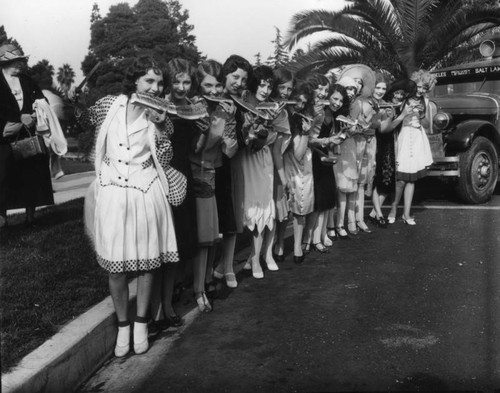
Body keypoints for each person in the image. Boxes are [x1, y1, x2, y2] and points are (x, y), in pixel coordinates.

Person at [78, 56, 182, 357]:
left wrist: (161, 129)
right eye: (149, 80)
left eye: (159, 83)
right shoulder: (110, 105)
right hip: (112, 193)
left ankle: (140, 323)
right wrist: (75, 102)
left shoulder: (159, 117)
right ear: (134, 81)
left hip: (145, 192)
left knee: (148, 263)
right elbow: (83, 120)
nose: (155, 87)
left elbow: (163, 160)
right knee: (117, 267)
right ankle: (123, 326)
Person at [190, 60, 238, 292]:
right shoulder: (191, 107)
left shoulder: (224, 110)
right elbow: (193, 148)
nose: (215, 91)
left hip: (210, 172)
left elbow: (230, 151)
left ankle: (205, 281)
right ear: (198, 85)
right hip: (189, 171)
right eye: (208, 85)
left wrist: (231, 135)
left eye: (218, 85)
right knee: (193, 233)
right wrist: (202, 126)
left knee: (209, 234)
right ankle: (192, 284)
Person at [231, 65, 281, 279]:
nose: (266, 89)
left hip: (263, 158)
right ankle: (237, 260)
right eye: (262, 84)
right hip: (245, 160)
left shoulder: (274, 107)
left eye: (269, 85)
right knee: (246, 207)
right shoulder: (243, 101)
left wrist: (264, 131)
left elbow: (272, 137)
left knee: (263, 205)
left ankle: (257, 257)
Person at [0, 43, 54, 227]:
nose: (19, 65)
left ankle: (30, 216)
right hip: (4, 135)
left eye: (20, 61)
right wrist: (16, 118)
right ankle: (2, 218)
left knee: (31, 173)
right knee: (3, 175)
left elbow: (41, 99)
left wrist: (33, 113)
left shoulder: (26, 79)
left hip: (28, 134)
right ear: (4, 63)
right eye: (15, 62)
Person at [212, 54, 252, 288]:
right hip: (208, 165)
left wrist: (247, 132)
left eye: (243, 79)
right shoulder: (215, 99)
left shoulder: (241, 106)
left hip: (230, 164)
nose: (239, 82)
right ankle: (214, 268)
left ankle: (226, 267)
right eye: (235, 76)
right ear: (224, 76)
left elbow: (238, 143)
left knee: (231, 218)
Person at [388, 69, 436, 225]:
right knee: (400, 179)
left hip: (417, 139)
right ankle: (394, 207)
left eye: (424, 88)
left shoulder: (426, 102)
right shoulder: (404, 98)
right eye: (419, 87)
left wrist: (421, 115)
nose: (421, 91)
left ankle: (407, 214)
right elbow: (393, 119)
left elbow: (428, 125)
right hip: (403, 137)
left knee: (412, 179)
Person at [368, 79, 416, 227]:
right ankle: (377, 214)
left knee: (387, 181)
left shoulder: (394, 105)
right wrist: (400, 116)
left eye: (402, 94)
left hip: (390, 144)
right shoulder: (385, 105)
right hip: (381, 143)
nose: (399, 96)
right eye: (397, 93)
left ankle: (374, 213)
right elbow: (385, 129)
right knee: (382, 180)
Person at [283, 81, 315, 264]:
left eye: (304, 103)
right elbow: (298, 153)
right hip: (290, 165)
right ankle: (285, 246)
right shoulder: (289, 117)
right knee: (289, 209)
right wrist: (305, 134)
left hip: (293, 165)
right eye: (297, 101)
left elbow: (299, 152)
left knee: (298, 209)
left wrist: (306, 133)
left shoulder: (298, 117)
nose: (300, 106)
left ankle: (292, 247)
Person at [270, 68, 294, 262]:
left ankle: (278, 243)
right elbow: (275, 149)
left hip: (279, 161)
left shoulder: (285, 111)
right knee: (272, 207)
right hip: (269, 163)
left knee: (281, 208)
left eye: (289, 89)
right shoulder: (270, 109)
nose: (285, 93)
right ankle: (267, 249)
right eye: (282, 88)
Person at [333, 76, 361, 239]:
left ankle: (350, 220)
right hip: (337, 147)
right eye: (347, 89)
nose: (350, 92)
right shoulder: (336, 107)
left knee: (350, 186)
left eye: (353, 89)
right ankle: (337, 223)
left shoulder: (355, 107)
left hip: (350, 146)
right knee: (340, 187)